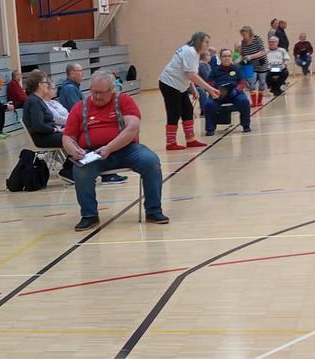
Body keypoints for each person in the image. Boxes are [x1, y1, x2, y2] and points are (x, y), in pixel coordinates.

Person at [62, 71, 169, 230]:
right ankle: (89, 215)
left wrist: (109, 147)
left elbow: (132, 128)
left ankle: (154, 210)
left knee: (150, 161)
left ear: (112, 90)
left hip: (126, 149)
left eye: (101, 92)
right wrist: (73, 150)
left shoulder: (124, 101)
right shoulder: (79, 107)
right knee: (81, 171)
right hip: (93, 154)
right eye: (94, 92)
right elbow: (67, 137)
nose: (97, 96)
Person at [158, 32, 219, 150]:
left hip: (180, 85)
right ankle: (170, 143)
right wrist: (210, 89)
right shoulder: (190, 51)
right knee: (174, 112)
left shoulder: (193, 52)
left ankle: (190, 140)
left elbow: (188, 73)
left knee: (188, 110)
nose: (207, 45)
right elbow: (192, 75)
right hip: (170, 84)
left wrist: (193, 89)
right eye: (206, 42)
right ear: (199, 41)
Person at [200, 49, 251, 134]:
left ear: (231, 57)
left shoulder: (237, 69)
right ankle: (210, 129)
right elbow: (210, 83)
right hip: (219, 93)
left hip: (235, 93)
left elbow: (242, 83)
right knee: (208, 104)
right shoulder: (214, 70)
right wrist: (216, 90)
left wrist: (236, 90)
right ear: (220, 58)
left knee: (244, 101)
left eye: (229, 56)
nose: (227, 58)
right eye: (224, 56)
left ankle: (246, 125)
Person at [238, 26, 267, 108]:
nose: (243, 36)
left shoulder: (257, 39)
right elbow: (243, 54)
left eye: (244, 34)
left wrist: (251, 56)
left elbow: (262, 52)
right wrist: (240, 61)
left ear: (249, 33)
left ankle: (259, 101)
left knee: (262, 83)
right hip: (250, 65)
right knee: (251, 84)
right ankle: (254, 103)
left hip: (261, 63)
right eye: (242, 35)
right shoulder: (243, 42)